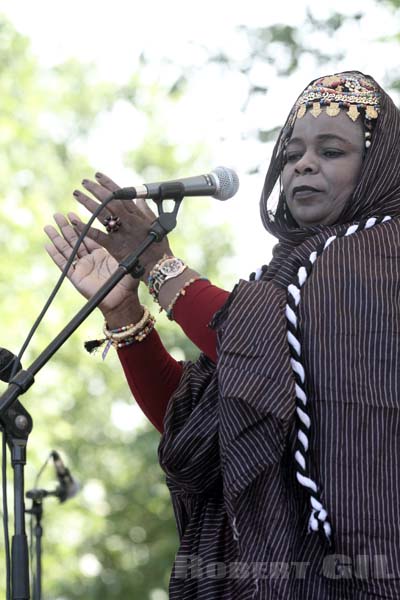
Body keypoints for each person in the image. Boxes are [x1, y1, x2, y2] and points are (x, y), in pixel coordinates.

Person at [44, 71, 400, 598]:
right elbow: (197, 425)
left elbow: (277, 348)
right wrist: (124, 314)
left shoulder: (383, 258)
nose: (302, 163)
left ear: (376, 168)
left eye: (331, 151)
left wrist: (161, 267)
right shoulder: (283, 279)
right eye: (292, 152)